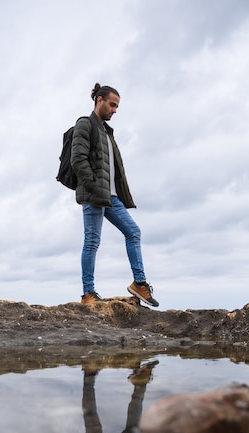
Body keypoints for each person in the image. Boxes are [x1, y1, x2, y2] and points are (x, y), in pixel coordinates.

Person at [71, 82, 159, 307]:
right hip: (93, 195)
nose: (115, 110)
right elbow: (78, 159)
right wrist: (91, 186)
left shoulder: (107, 132)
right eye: (112, 105)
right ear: (99, 100)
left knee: (133, 232)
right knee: (92, 241)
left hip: (111, 197)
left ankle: (139, 283)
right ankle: (87, 293)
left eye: (117, 106)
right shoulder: (85, 124)